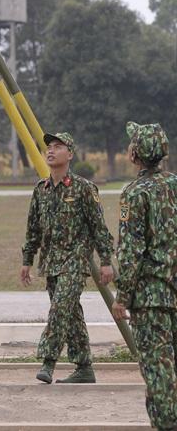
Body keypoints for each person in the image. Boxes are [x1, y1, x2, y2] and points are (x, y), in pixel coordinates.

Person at [20, 131, 114, 384]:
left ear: (70, 154)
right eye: (49, 147)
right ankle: (84, 367)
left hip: (75, 260)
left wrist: (106, 261)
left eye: (58, 146)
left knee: (60, 308)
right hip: (51, 262)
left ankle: (48, 362)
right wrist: (27, 259)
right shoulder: (41, 189)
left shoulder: (84, 188)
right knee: (71, 314)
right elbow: (33, 229)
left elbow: (99, 228)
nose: (50, 150)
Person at [112, 121, 177, 431]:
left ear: (135, 153)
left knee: (158, 369)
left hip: (152, 298)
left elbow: (130, 251)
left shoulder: (134, 193)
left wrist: (122, 296)